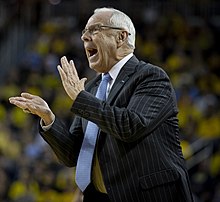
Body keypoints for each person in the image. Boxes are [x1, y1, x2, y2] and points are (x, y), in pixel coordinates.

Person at [9, 7, 194, 202]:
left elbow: (130, 126)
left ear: (121, 37)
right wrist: (49, 118)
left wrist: (81, 98)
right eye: (84, 32)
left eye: (94, 30)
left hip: (148, 195)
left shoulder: (151, 77)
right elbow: (72, 154)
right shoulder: (92, 88)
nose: (84, 38)